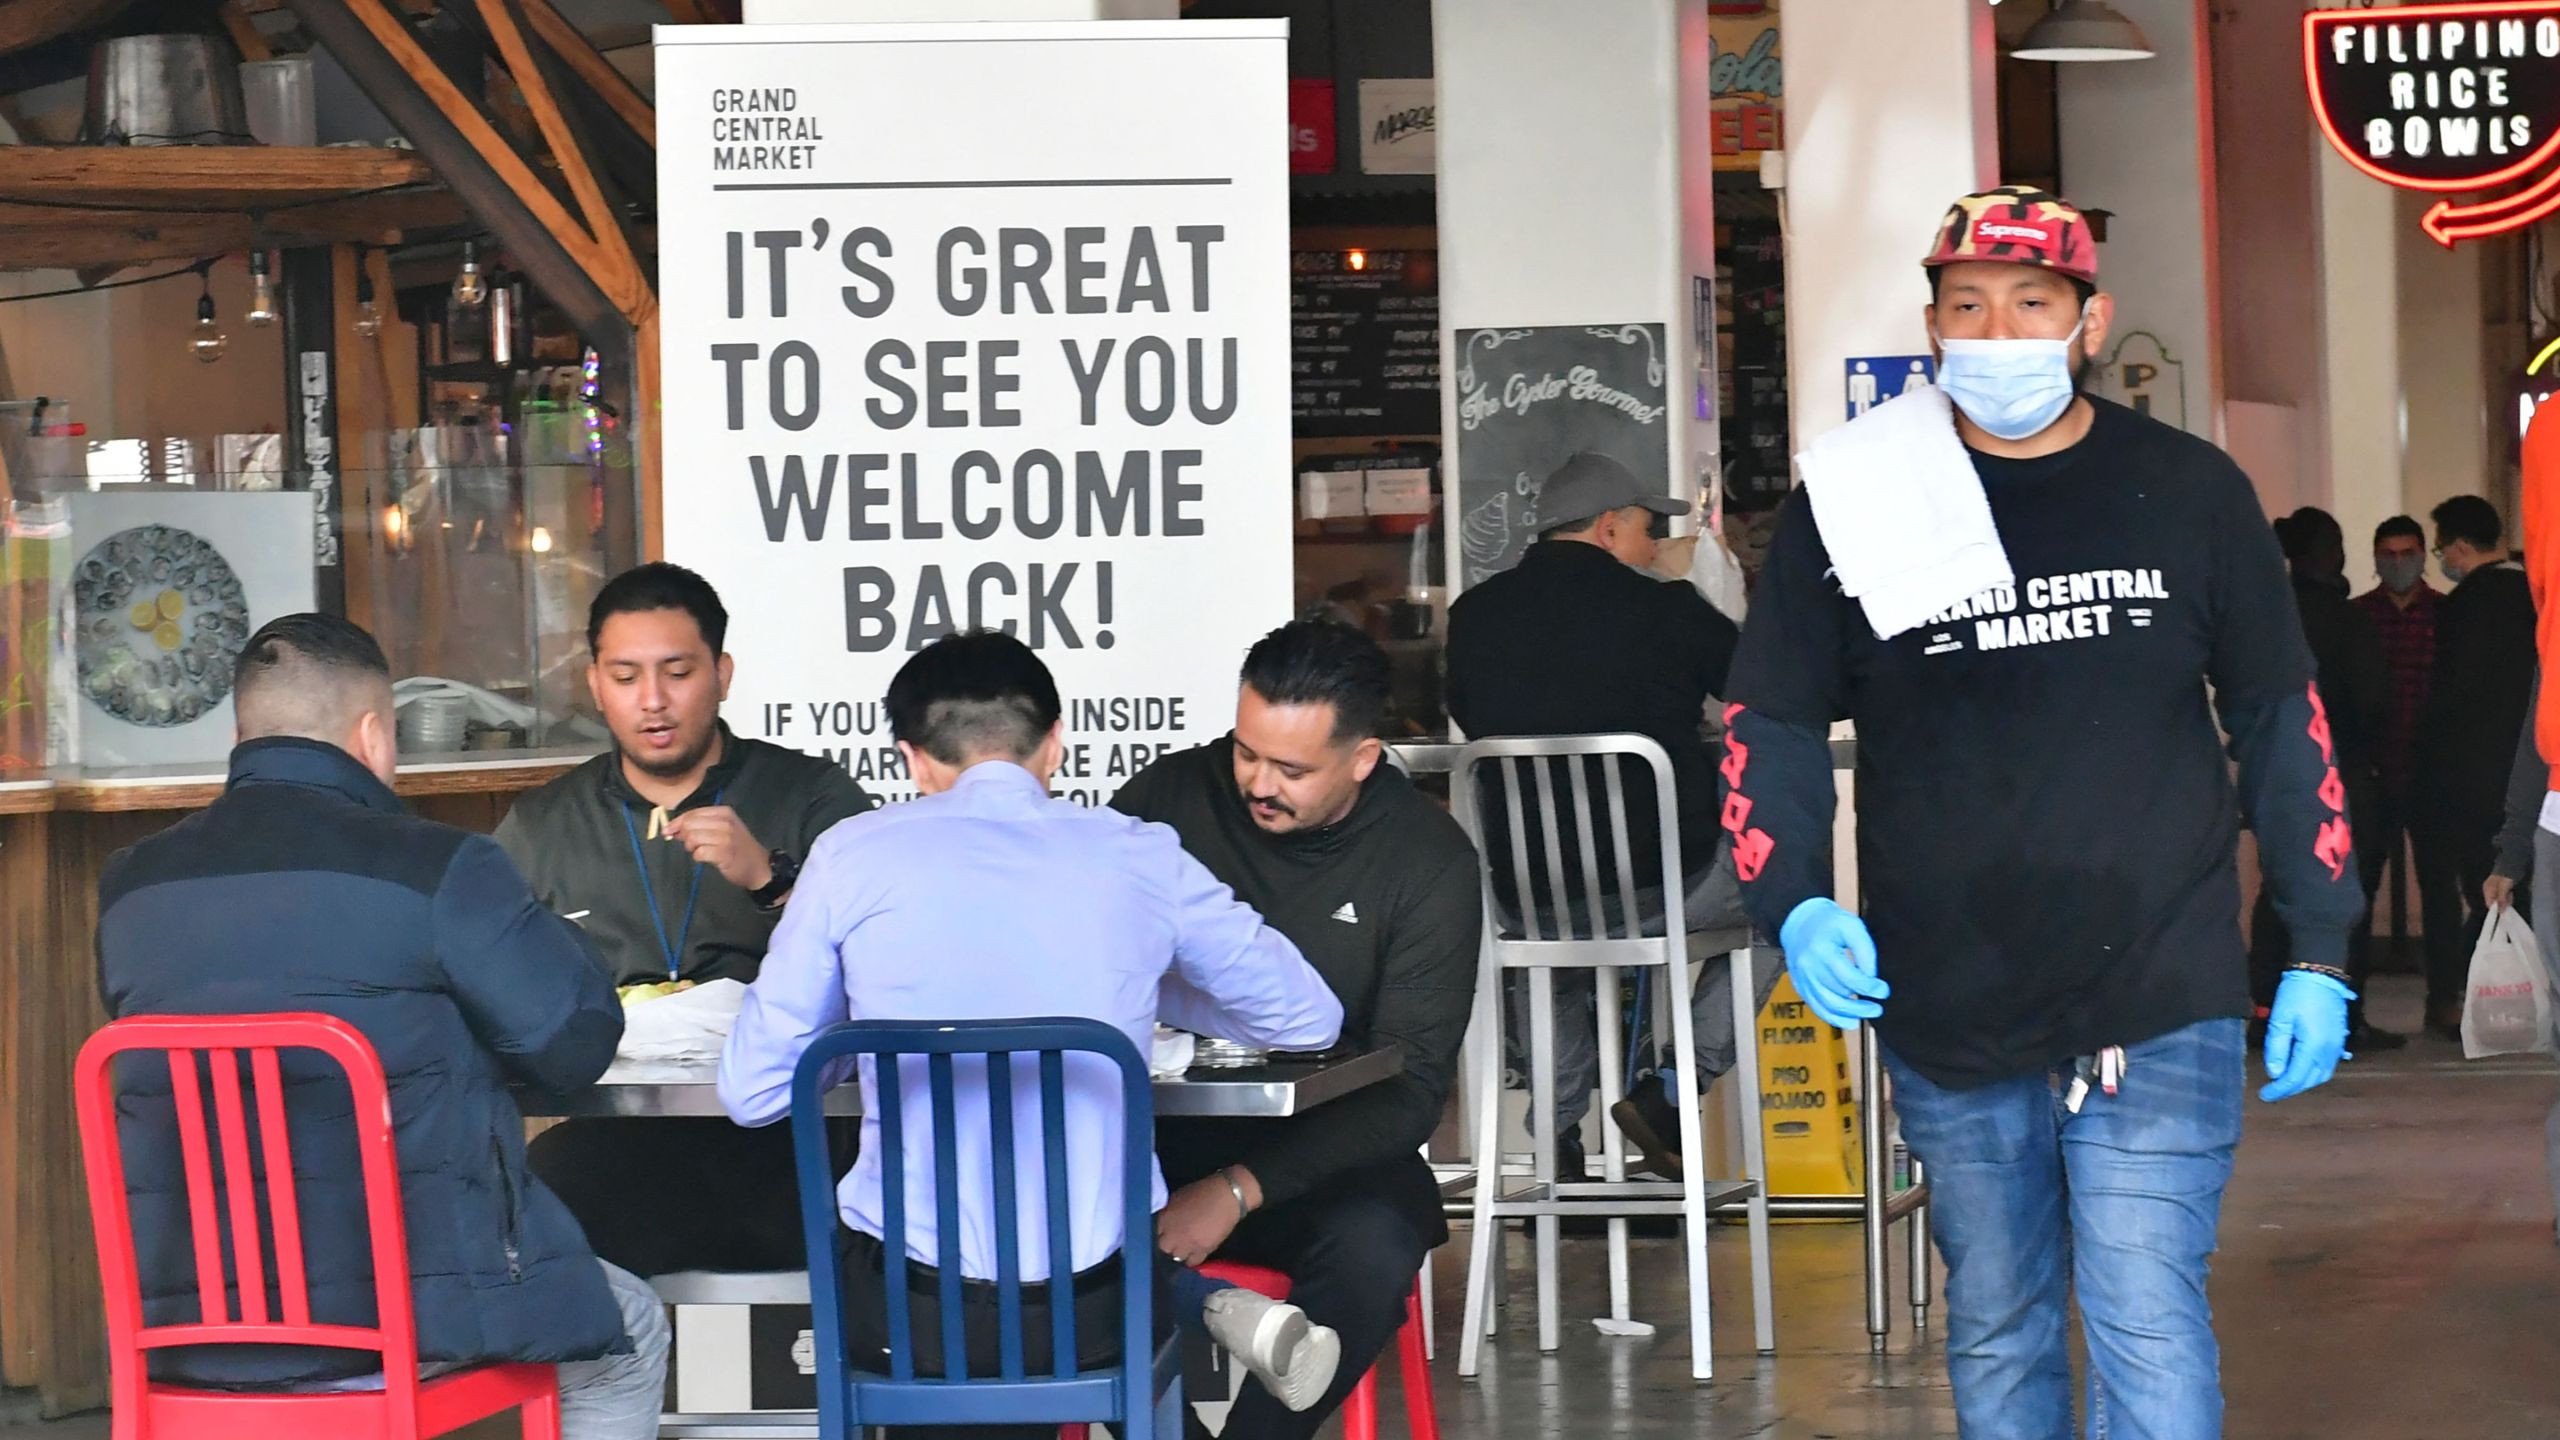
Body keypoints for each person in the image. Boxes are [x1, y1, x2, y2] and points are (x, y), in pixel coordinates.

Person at [1721, 186, 2363, 1437]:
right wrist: (1790, 897)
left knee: (2146, 1311)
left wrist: (2321, 944)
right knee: (2000, 1317)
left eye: (2029, 304)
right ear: (1930, 323)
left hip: (2157, 983)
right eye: (1966, 306)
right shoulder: (1858, 497)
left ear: (2087, 318)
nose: (1995, 331)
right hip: (1950, 992)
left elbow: (2284, 713)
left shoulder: (2188, 491)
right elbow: (1771, 718)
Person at [717, 631, 1350, 1438]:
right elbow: (1304, 1017)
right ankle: (1213, 1309)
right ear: (1055, 745)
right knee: (1135, 1272)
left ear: (912, 760)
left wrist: (860, 1025)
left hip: (912, 1322)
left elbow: (755, 1090)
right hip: (1095, 1311)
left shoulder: (848, 858)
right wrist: (1136, 990)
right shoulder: (1137, 855)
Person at [96, 614, 666, 1438]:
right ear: (373, 736)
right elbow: (572, 1044)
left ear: (239, 733)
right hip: (399, 1316)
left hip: (184, 1319)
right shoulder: (436, 867)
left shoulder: (131, 889)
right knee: (629, 1328)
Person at [1111, 620, 1480, 1440]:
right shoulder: (1166, 802)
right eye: (1246, 752)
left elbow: (1413, 1092)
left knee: (1378, 1248)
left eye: (1291, 769)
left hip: (1326, 1157)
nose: (1258, 782)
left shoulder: (1427, 860)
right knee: (1036, 1229)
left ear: (1363, 758)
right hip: (1145, 1145)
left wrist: (1240, 1189)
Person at [499, 562, 878, 1276]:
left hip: (797, 1135)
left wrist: (769, 879)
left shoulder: (810, 794)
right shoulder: (543, 825)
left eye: (677, 672)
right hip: (625, 1143)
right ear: (594, 685)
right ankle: (597, 1390)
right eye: (625, 676)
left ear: (723, 673)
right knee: (532, 1201)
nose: (653, 701)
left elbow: (889, 958)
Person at [1443, 448, 1780, 1180]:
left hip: (1527, 896)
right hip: (1659, 888)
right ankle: (1670, 1091)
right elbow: (1760, 685)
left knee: (1559, 946)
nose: (1656, 544)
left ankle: (1558, 1135)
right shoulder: (1662, 606)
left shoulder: (1472, 617)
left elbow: (1471, 719)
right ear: (1606, 529)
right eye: (1646, 528)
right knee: (1783, 905)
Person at [2251, 508, 2400, 1051]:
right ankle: (2342, 1013)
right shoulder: (2347, 619)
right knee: (2346, 887)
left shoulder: (2272, 613)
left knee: (2279, 889)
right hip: (2345, 769)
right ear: (2331, 551)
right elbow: (2371, 699)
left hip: (2277, 768)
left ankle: (2267, 1007)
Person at [2414, 494, 2537, 1038]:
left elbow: (2451, 698)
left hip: (2473, 778)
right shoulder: (2537, 594)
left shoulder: (2465, 607)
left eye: (2442, 548)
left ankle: (2483, 1002)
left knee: (2486, 891)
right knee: (2531, 890)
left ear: (2461, 548)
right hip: (2537, 767)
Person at [2355, 515, 2455, 1018]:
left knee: (2439, 891)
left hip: (2430, 770)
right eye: (2388, 554)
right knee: (2359, 888)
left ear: (2423, 555)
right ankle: (2350, 1012)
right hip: (2373, 771)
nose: (2399, 563)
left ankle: (2445, 1001)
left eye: (2408, 553)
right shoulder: (2358, 617)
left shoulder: (2446, 614)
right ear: (2374, 558)